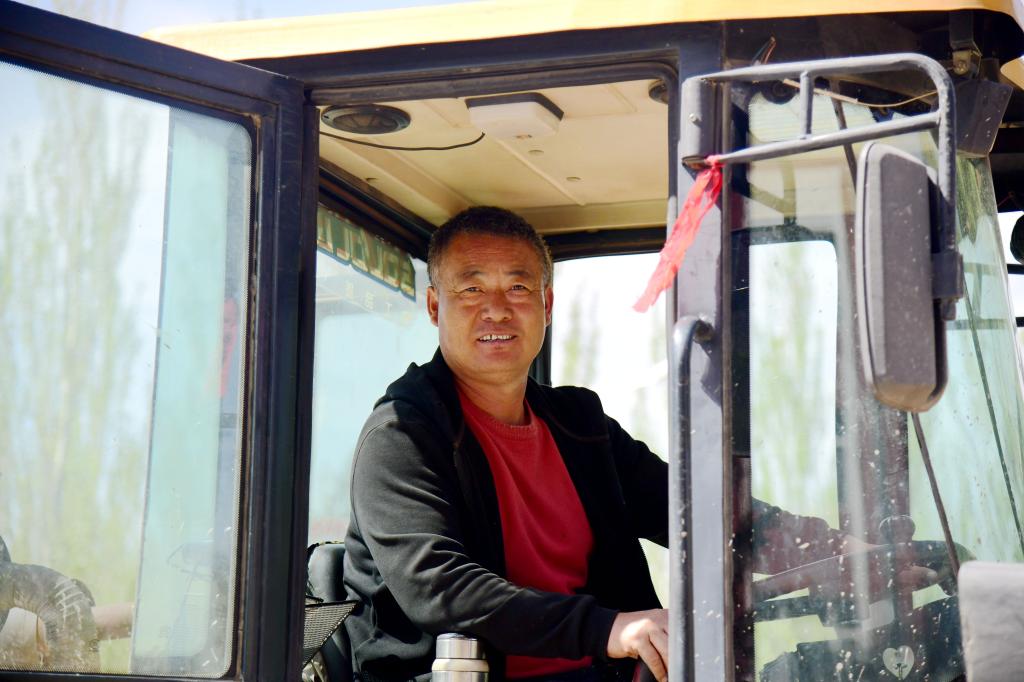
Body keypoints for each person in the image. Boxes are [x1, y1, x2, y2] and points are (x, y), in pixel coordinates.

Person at [343, 207, 669, 682]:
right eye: (471, 289)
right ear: (434, 306)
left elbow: (688, 513)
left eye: (518, 287)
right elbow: (440, 587)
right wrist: (607, 629)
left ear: (547, 304)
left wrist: (782, 540)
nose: (497, 308)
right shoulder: (401, 435)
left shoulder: (581, 425)